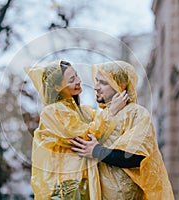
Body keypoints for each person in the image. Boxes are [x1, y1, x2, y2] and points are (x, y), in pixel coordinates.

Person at [24, 60, 128, 200]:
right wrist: (112, 111)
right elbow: (85, 135)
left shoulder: (81, 111)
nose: (78, 81)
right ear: (56, 87)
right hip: (64, 187)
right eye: (72, 79)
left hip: (81, 181)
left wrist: (113, 102)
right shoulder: (53, 112)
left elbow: (103, 122)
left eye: (77, 75)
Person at [71, 61, 174, 200]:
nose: (96, 87)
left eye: (103, 83)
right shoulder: (100, 116)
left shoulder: (136, 113)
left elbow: (135, 157)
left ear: (119, 85)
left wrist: (97, 151)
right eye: (96, 81)